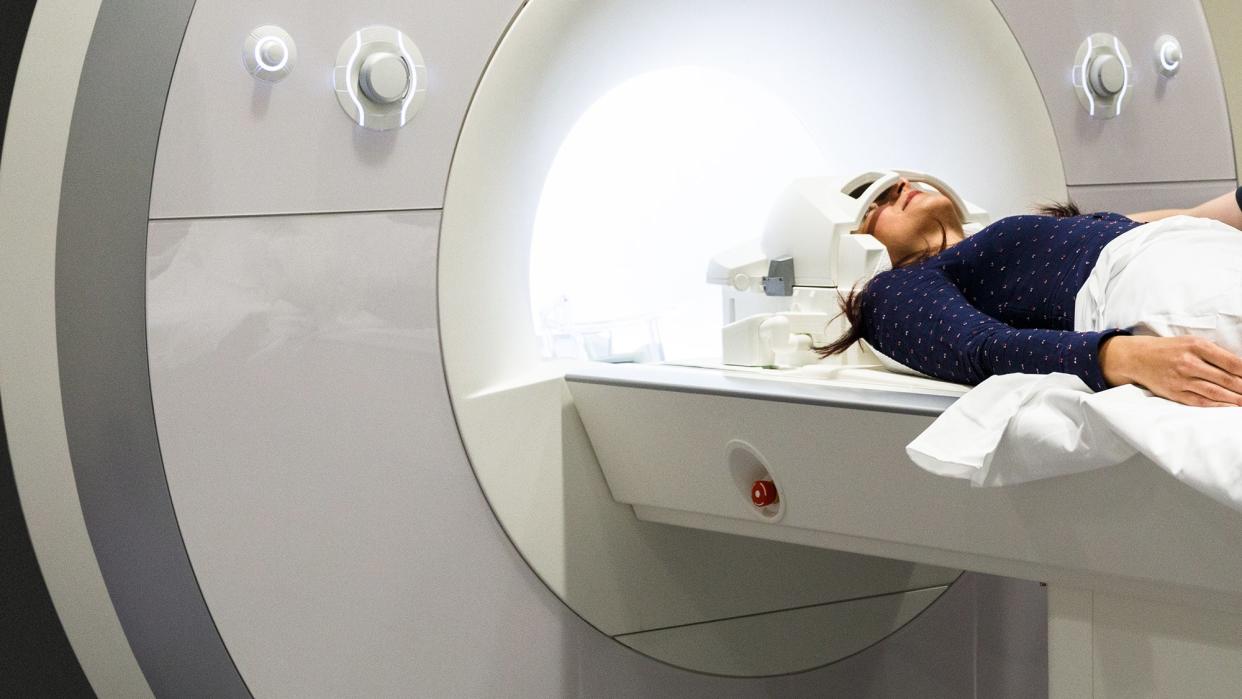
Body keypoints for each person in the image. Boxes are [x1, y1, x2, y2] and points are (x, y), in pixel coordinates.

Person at [816, 179, 1242, 407]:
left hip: (1203, 247)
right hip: (1154, 283)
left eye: (895, 183)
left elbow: (1191, 217)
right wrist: (1123, 356)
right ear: (857, 240)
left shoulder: (1021, 234)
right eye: (874, 202)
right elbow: (982, 348)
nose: (898, 186)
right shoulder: (895, 288)